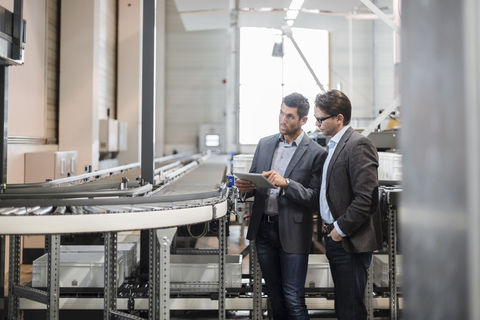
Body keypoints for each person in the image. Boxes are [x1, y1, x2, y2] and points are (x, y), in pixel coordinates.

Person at [235, 92, 326, 320]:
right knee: (275, 298)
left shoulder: (316, 153)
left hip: (293, 233)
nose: (282, 120)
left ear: (303, 120)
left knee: (293, 298)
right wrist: (245, 188)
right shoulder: (265, 144)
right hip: (264, 230)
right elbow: (255, 182)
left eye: (290, 116)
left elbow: (316, 198)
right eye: (281, 113)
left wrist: (287, 184)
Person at [313, 89, 383, 320]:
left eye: (321, 119)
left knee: (351, 309)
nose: (317, 123)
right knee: (343, 305)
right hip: (336, 236)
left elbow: (366, 198)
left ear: (339, 118)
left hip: (348, 240)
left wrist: (339, 231)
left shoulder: (358, 144)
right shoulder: (333, 146)